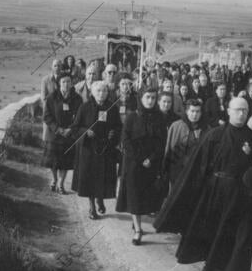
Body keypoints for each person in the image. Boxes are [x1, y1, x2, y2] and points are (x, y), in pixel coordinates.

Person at [154, 98, 252, 271]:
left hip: (244, 194)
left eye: (245, 110)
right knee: (220, 232)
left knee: (243, 233)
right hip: (218, 193)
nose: (241, 114)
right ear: (229, 111)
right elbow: (198, 166)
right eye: (238, 110)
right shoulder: (214, 135)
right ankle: (218, 264)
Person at [116, 87, 167, 245]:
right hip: (134, 164)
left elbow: (162, 142)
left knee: (148, 196)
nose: (150, 100)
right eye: (147, 97)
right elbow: (126, 141)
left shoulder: (160, 118)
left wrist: (151, 159)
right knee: (134, 196)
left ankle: (139, 221)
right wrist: (140, 159)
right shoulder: (132, 117)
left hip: (151, 164)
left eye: (153, 97)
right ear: (141, 98)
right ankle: (138, 230)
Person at [70, 81, 121, 219]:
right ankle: (92, 207)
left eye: (104, 91)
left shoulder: (112, 108)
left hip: (106, 148)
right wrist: (86, 132)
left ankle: (100, 199)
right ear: (92, 92)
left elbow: (118, 126)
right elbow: (75, 128)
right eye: (98, 91)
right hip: (89, 149)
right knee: (90, 178)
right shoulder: (85, 107)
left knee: (103, 177)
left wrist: (114, 133)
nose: (101, 94)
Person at [42, 73, 82, 193]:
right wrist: (58, 129)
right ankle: (54, 179)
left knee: (65, 162)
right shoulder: (52, 97)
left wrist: (70, 129)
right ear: (59, 83)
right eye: (63, 82)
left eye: (68, 81)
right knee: (53, 161)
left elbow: (79, 117)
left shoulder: (77, 98)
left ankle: (61, 183)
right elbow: (47, 116)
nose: (66, 84)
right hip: (54, 135)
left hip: (69, 135)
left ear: (72, 83)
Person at [164, 99, 209, 186]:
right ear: (187, 111)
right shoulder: (176, 126)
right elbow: (168, 149)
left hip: (196, 172)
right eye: (192, 111)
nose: (195, 114)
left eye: (197, 111)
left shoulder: (206, 129)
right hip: (178, 171)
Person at [40, 59, 62, 142]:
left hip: (60, 110)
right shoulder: (45, 80)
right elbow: (43, 96)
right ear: (52, 67)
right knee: (48, 132)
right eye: (55, 66)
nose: (57, 67)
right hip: (49, 109)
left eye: (59, 65)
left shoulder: (64, 79)